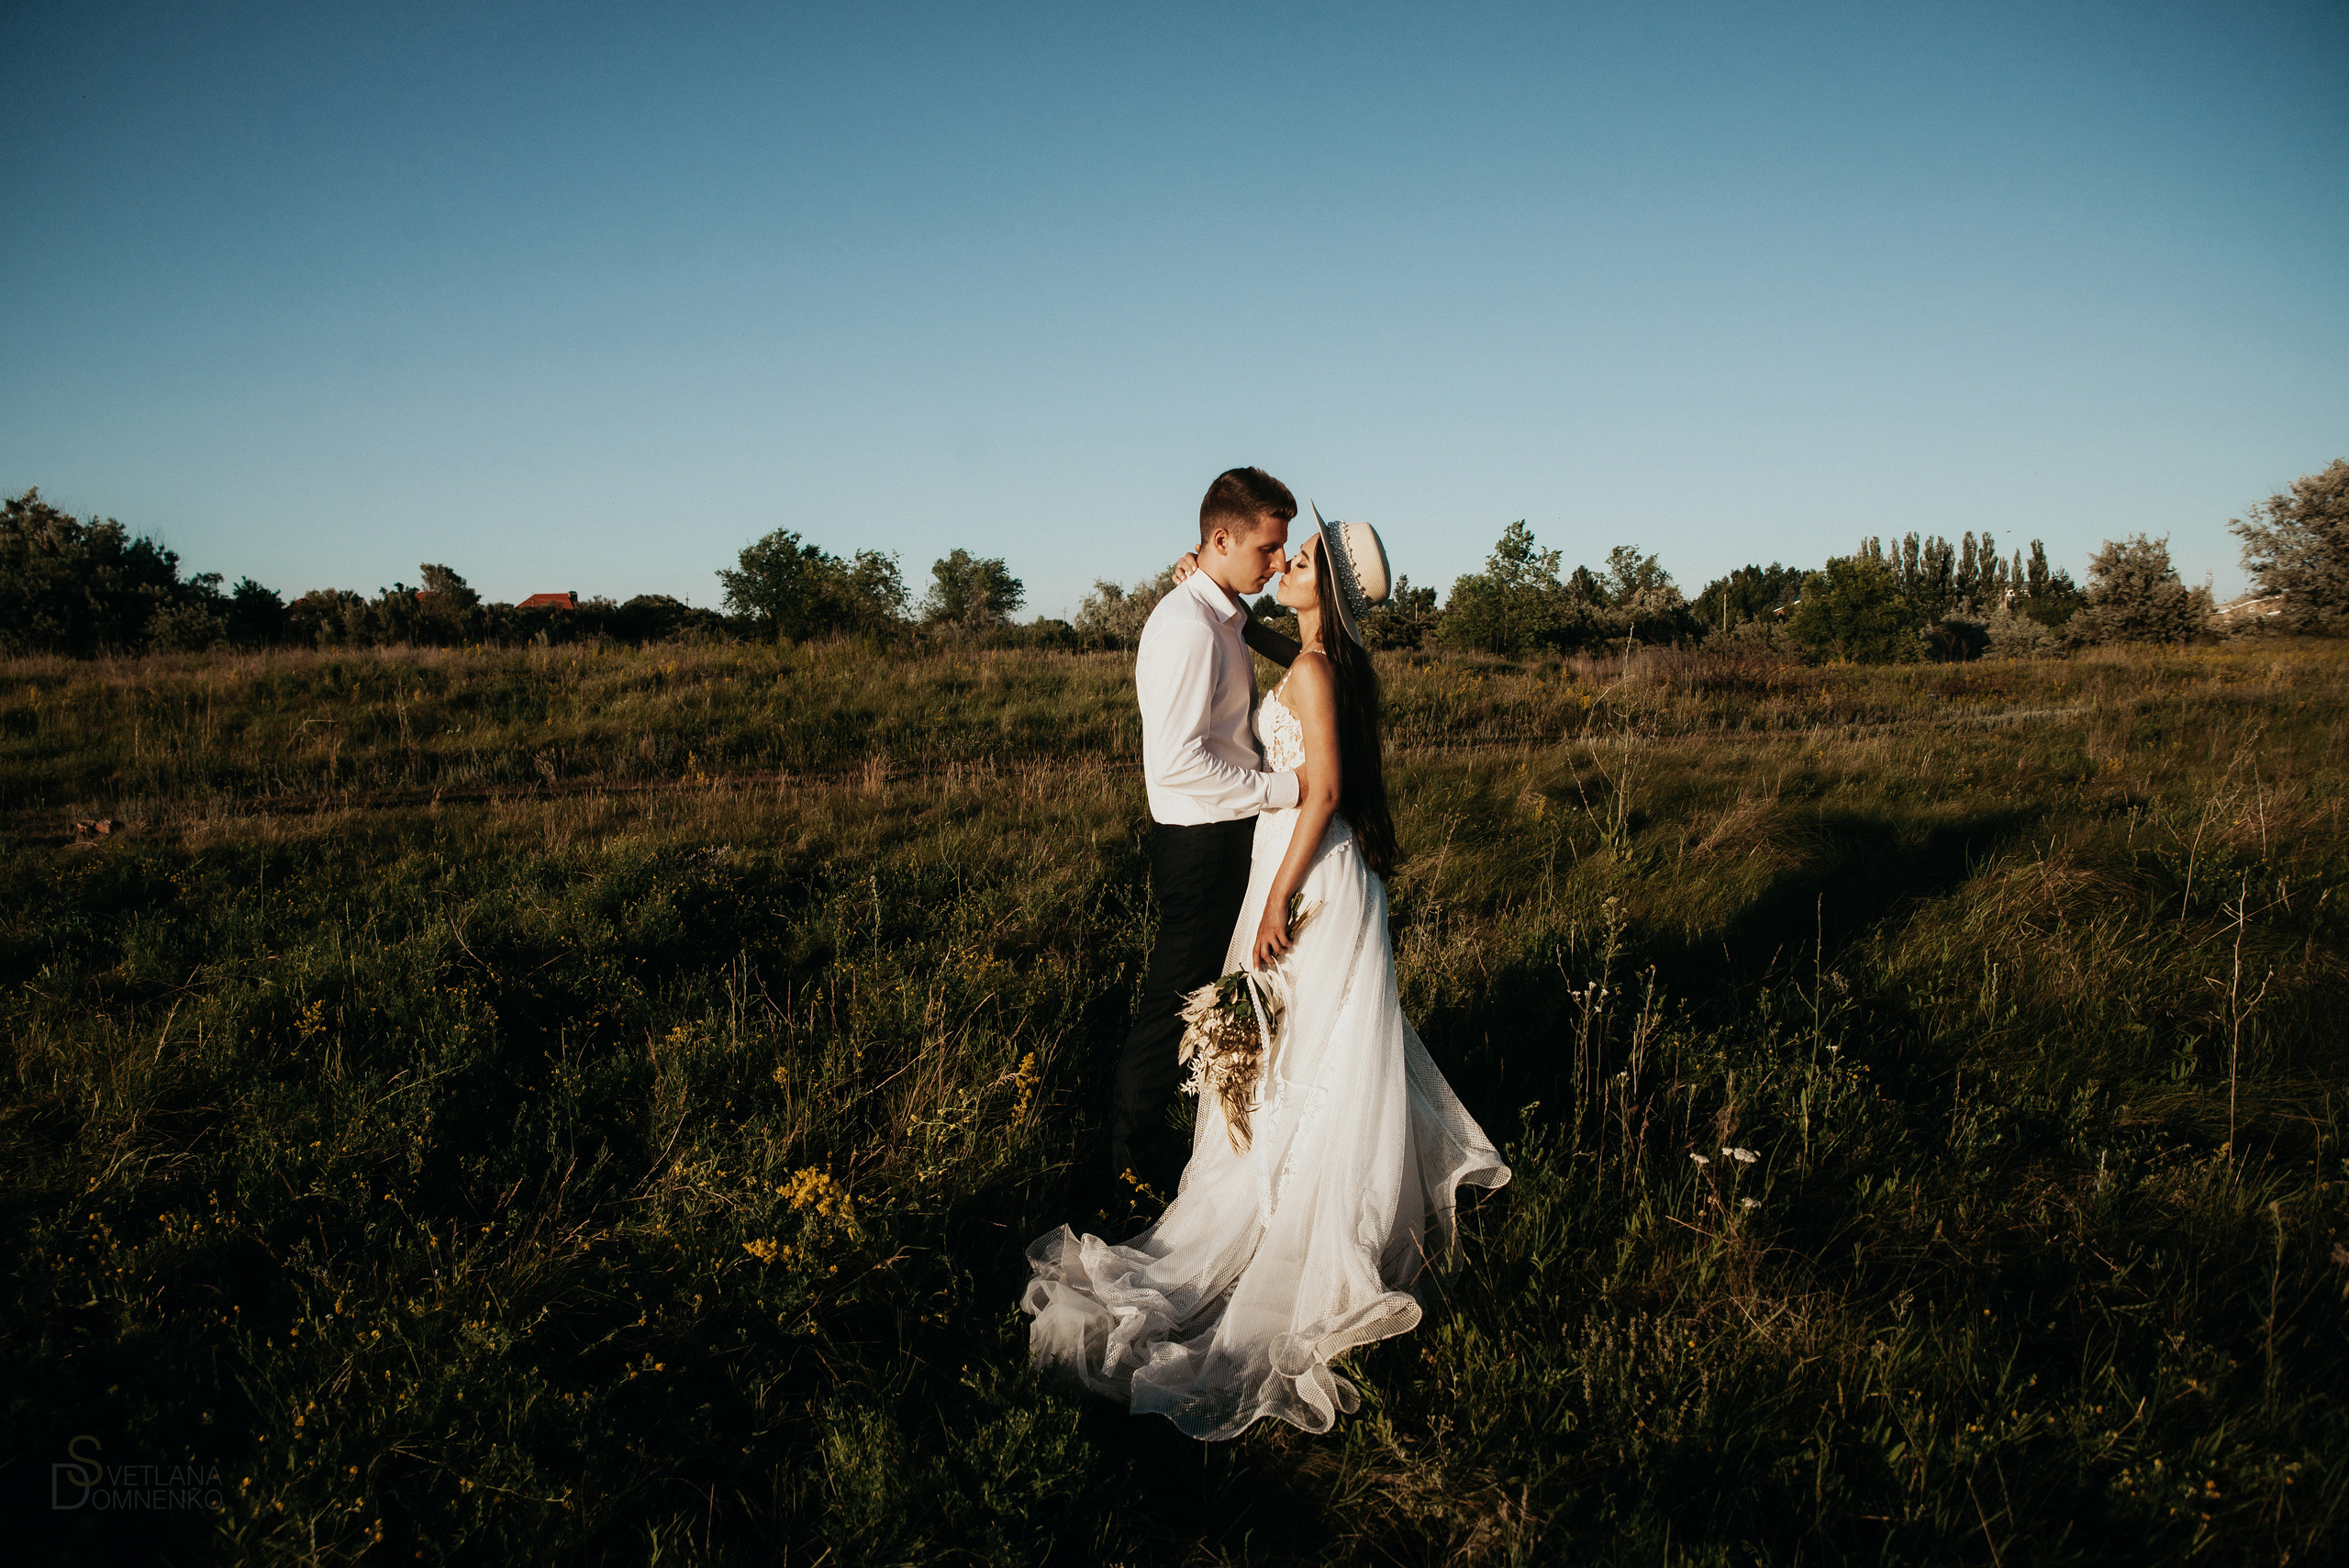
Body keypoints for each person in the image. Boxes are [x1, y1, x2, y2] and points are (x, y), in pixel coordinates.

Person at [1025, 506, 1512, 1441]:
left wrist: (1280, 898)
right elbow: (1252, 644)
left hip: (1306, 868)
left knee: (1303, 1047)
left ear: (1323, 584)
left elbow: (1322, 789)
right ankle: (1289, 1186)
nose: (1282, 562)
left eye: (1300, 558)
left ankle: (1296, 1217)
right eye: (1281, 551)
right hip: (1302, 863)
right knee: (1304, 1042)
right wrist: (1196, 594)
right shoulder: (1316, 658)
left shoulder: (1318, 669)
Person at [1108, 467, 1306, 1200]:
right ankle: (1128, 1161)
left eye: (1284, 548)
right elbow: (1180, 760)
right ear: (1220, 540)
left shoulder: (1222, 613)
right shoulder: (1189, 628)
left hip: (1227, 836)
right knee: (1174, 1003)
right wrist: (1281, 789)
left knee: (1213, 997)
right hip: (1199, 845)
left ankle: (1196, 1138)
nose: (1278, 561)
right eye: (1267, 548)